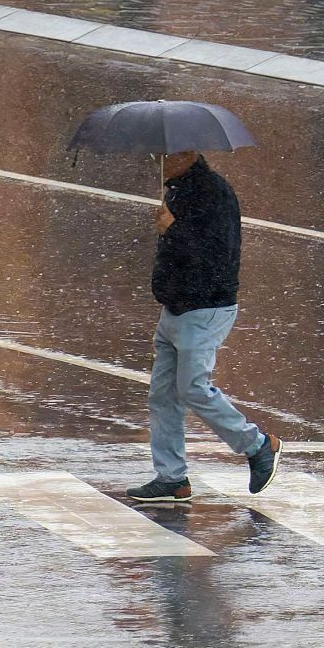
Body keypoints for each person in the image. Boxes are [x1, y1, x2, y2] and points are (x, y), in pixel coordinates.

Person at [127, 151, 281, 503]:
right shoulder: (177, 190)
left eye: (163, 154)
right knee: (163, 396)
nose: (157, 160)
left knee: (193, 388)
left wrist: (173, 230)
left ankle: (258, 446)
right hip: (176, 307)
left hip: (206, 308)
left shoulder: (214, 194)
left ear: (185, 154)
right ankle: (171, 478)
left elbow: (217, 255)